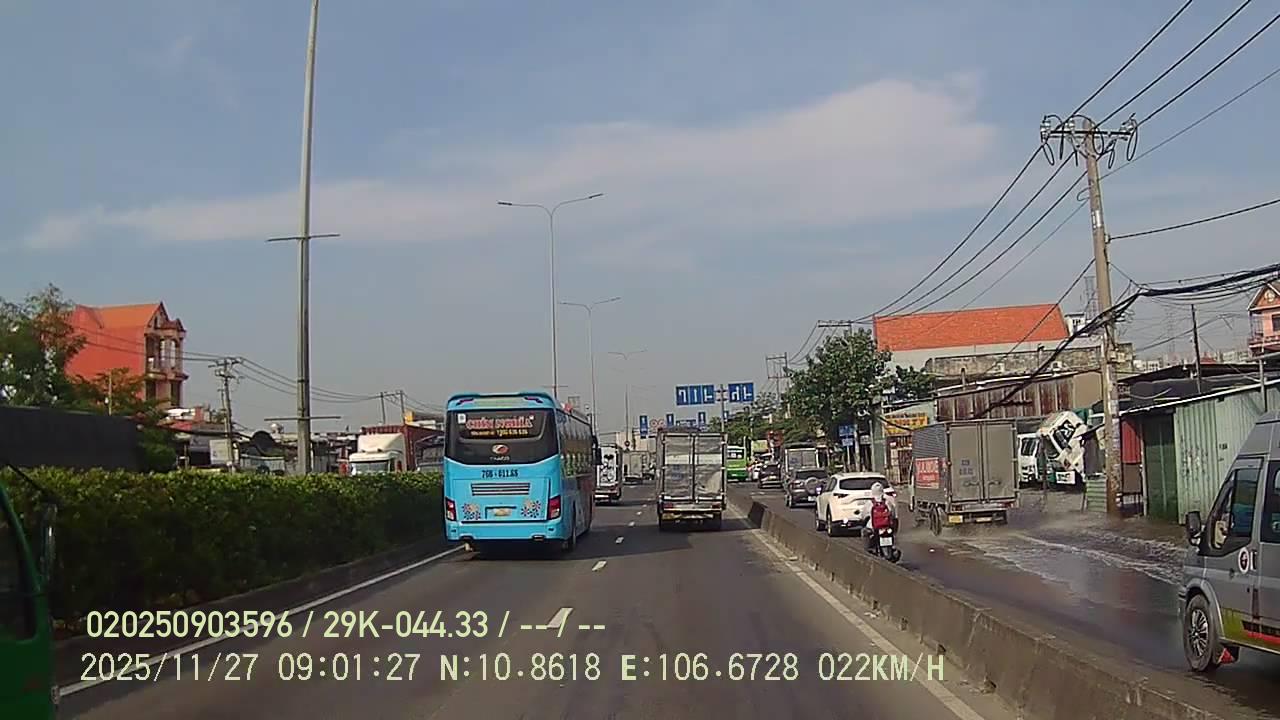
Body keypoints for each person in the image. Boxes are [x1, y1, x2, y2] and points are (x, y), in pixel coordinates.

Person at [865, 481, 897, 552]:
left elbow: (864, 515)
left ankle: (871, 548)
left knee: (866, 532)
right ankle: (892, 545)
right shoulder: (887, 502)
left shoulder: (869, 503)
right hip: (887, 525)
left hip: (874, 526)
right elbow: (893, 513)